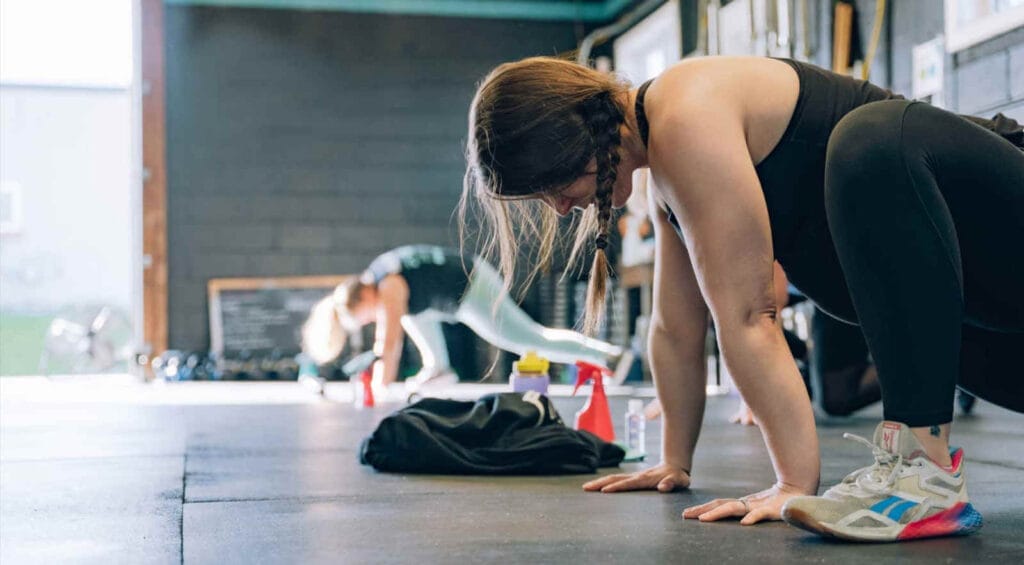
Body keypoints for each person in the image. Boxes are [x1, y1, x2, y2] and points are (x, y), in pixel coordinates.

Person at [462, 55, 1024, 541]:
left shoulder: (682, 113)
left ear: (568, 140)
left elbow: (750, 314)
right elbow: (675, 328)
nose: (558, 209)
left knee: (873, 137)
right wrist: (673, 461)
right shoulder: (665, 178)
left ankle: (922, 473)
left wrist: (793, 487)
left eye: (548, 186)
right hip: (995, 319)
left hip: (1005, 221)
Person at [302, 245, 629, 392]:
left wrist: (378, 388)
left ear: (365, 297)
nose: (373, 318)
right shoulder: (382, 274)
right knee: (412, 317)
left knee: (531, 340)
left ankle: (610, 356)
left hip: (472, 287)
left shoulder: (387, 285)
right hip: (462, 286)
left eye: (366, 316)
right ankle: (439, 368)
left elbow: (388, 345)